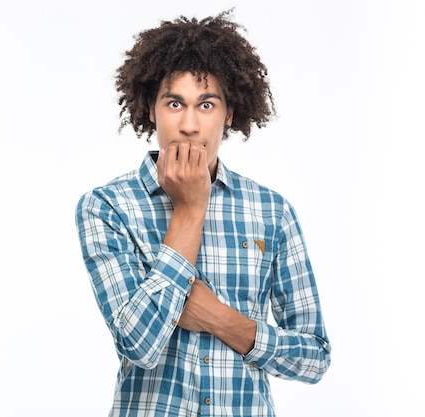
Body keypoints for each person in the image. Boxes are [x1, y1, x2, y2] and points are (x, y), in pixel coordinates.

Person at [74, 10, 331, 417]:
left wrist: (222, 320)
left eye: (206, 104)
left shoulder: (272, 211)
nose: (190, 124)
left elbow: (314, 357)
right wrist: (191, 209)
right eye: (174, 103)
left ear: (228, 114)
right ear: (151, 110)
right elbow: (139, 344)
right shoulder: (107, 207)